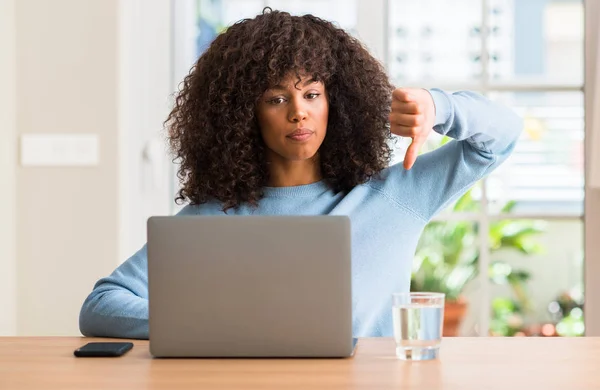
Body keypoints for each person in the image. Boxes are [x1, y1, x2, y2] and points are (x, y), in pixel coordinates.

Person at [79, 9, 522, 339]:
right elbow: (100, 306)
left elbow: (501, 135)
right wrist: (213, 324)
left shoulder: (395, 193)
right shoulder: (212, 217)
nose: (298, 112)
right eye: (276, 98)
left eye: (312, 93)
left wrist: (436, 105)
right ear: (242, 115)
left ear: (336, 103)